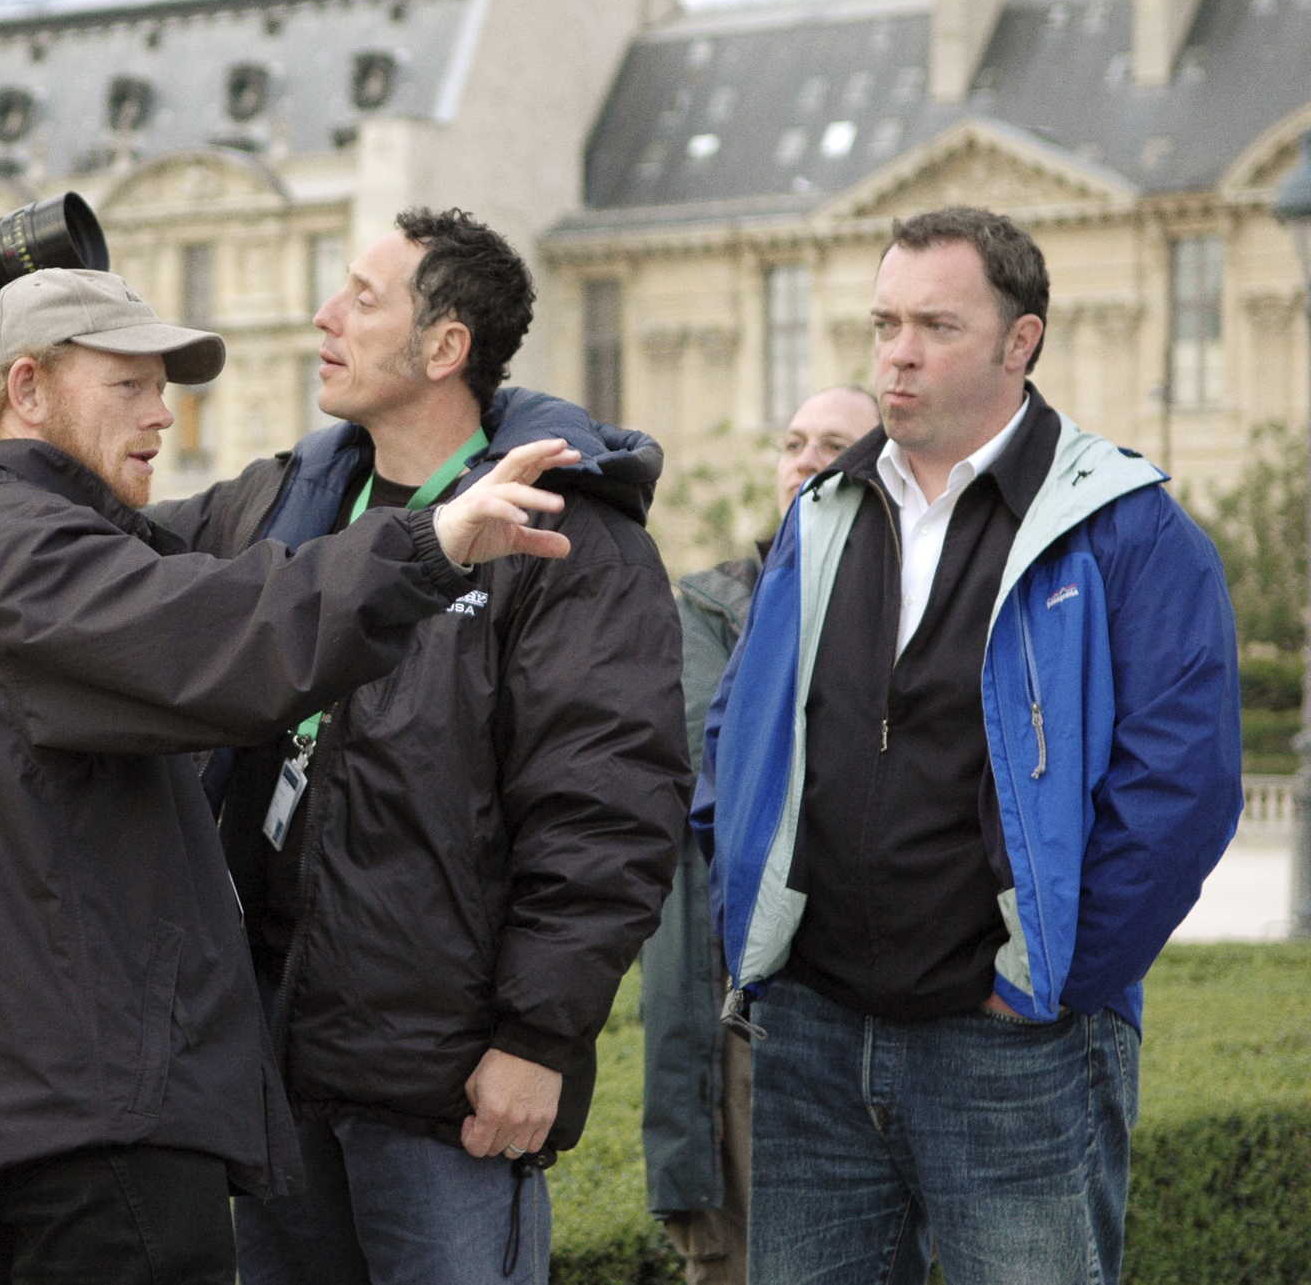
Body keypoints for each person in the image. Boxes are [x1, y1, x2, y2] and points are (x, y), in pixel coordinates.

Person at [0, 266, 582, 1284]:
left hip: (62, 1099)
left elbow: (191, 571)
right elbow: (221, 630)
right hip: (99, 1105)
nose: (162, 417)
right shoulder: (8, 547)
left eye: (164, 389)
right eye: (127, 387)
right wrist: (432, 539)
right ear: (25, 386)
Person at [695, 206, 1242, 1283]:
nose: (897, 352)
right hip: (809, 1034)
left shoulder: (1123, 528)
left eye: (934, 325)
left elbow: (1180, 788)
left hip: (1015, 1047)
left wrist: (1051, 980)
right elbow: (738, 729)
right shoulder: (821, 514)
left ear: (1017, 340)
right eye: (883, 322)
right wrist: (760, 942)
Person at [147, 208, 692, 1285]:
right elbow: (110, 568)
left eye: (360, 296)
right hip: (274, 1061)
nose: (322, 315)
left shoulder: (569, 540)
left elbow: (605, 815)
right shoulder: (283, 497)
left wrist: (537, 1039)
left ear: (443, 348)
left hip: (444, 1088)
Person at [641, 385, 878, 1285]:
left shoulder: (926, 603)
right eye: (793, 442)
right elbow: (733, 768)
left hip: (877, 1003)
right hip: (740, 1010)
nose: (806, 459)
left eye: (834, 444)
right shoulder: (706, 611)